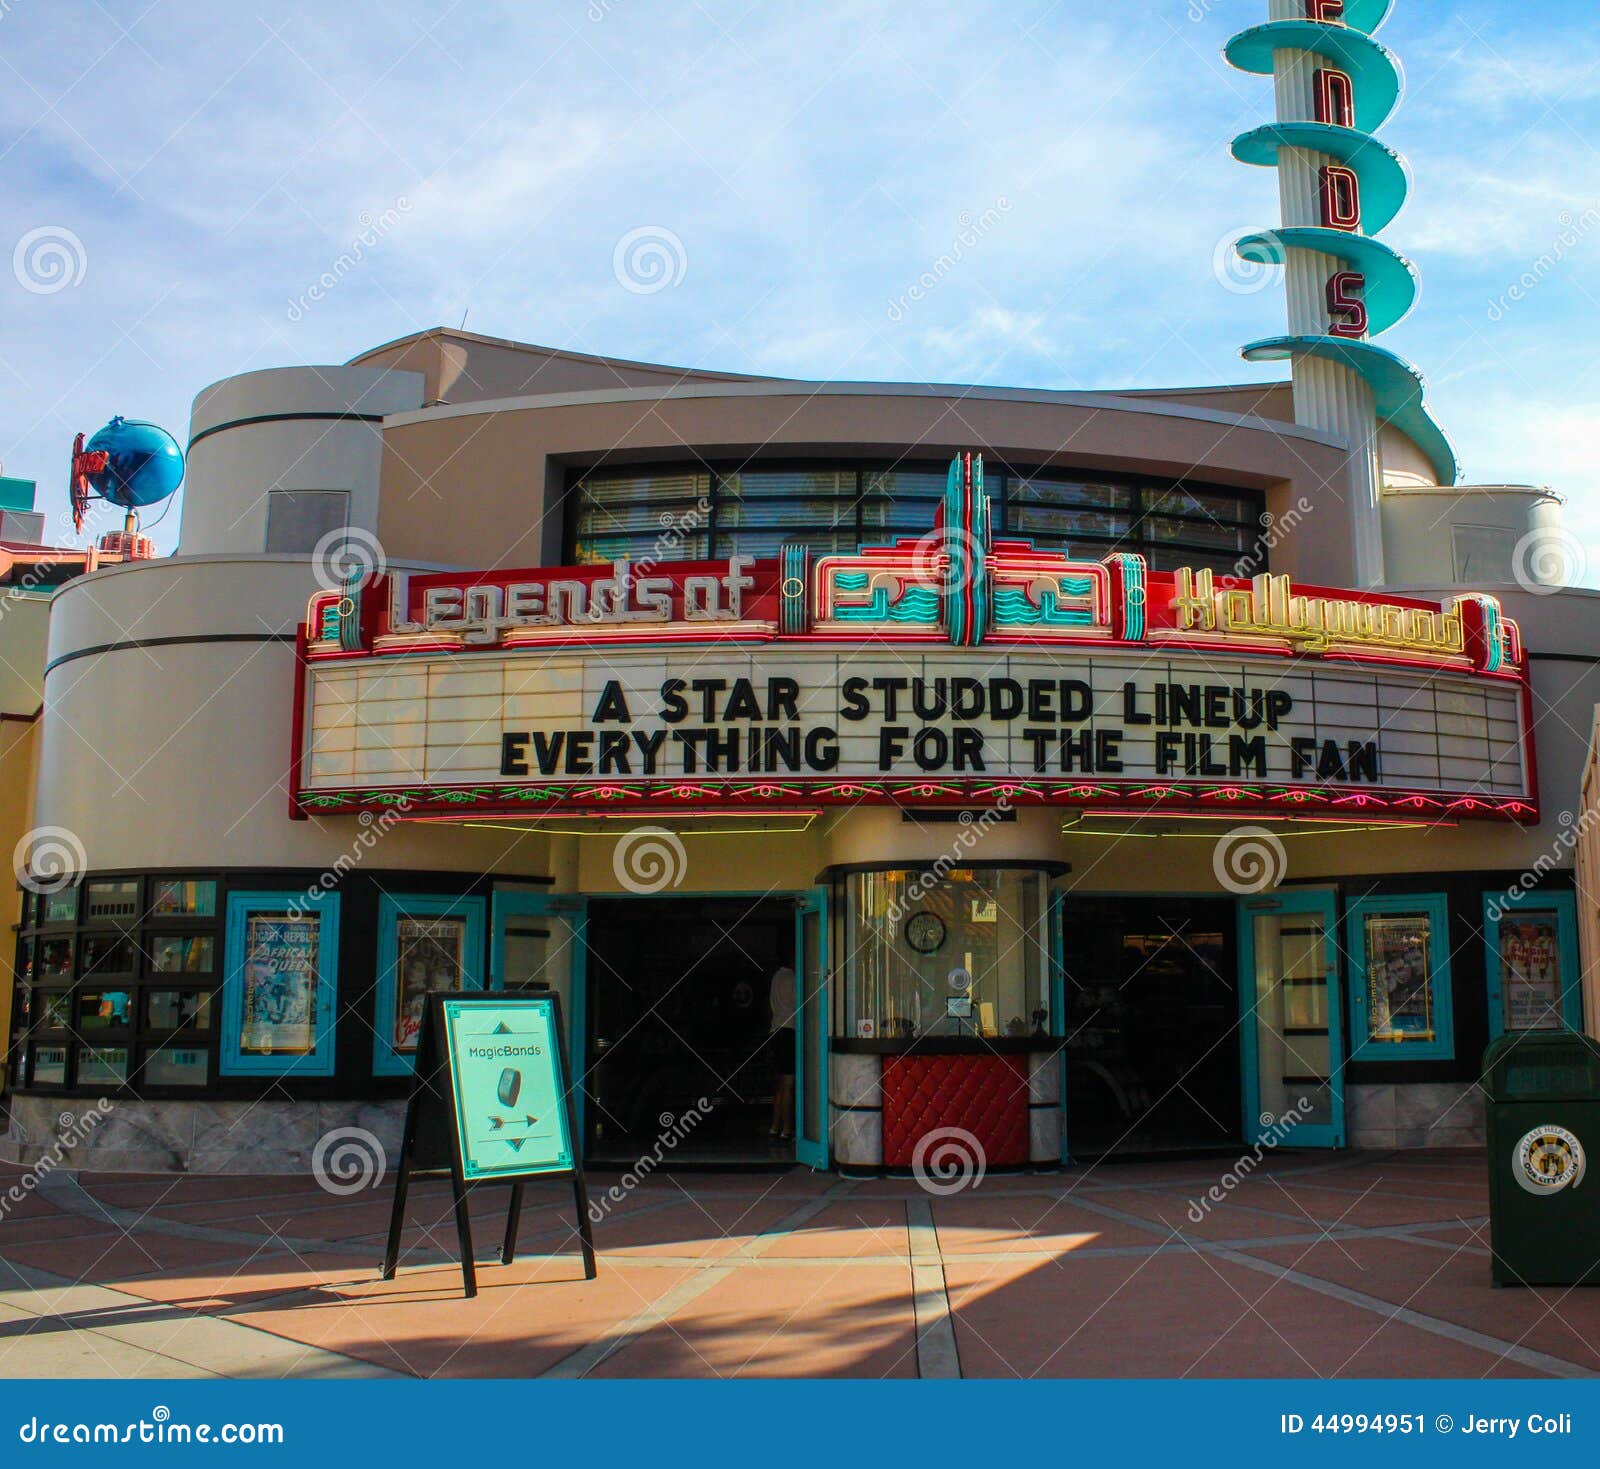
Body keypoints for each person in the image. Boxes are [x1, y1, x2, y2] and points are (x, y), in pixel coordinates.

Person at [767, 963, 797, 1143]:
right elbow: (799, 1003)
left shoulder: (776, 977)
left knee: (779, 1084)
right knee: (789, 1083)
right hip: (788, 1031)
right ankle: (787, 1129)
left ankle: (774, 1126)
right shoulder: (793, 979)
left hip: (775, 1030)